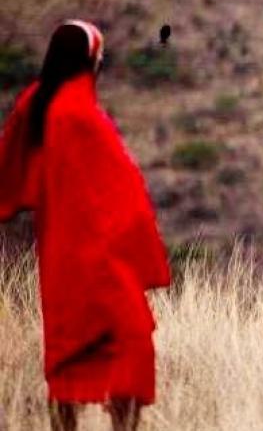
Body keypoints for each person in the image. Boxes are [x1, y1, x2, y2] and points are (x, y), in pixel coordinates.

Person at [0, 21, 171, 431]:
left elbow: (10, 165)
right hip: (100, 256)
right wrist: (140, 247)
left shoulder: (35, 104)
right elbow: (124, 187)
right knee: (132, 342)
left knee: (66, 350)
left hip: (59, 253)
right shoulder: (80, 114)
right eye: (100, 56)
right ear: (88, 60)